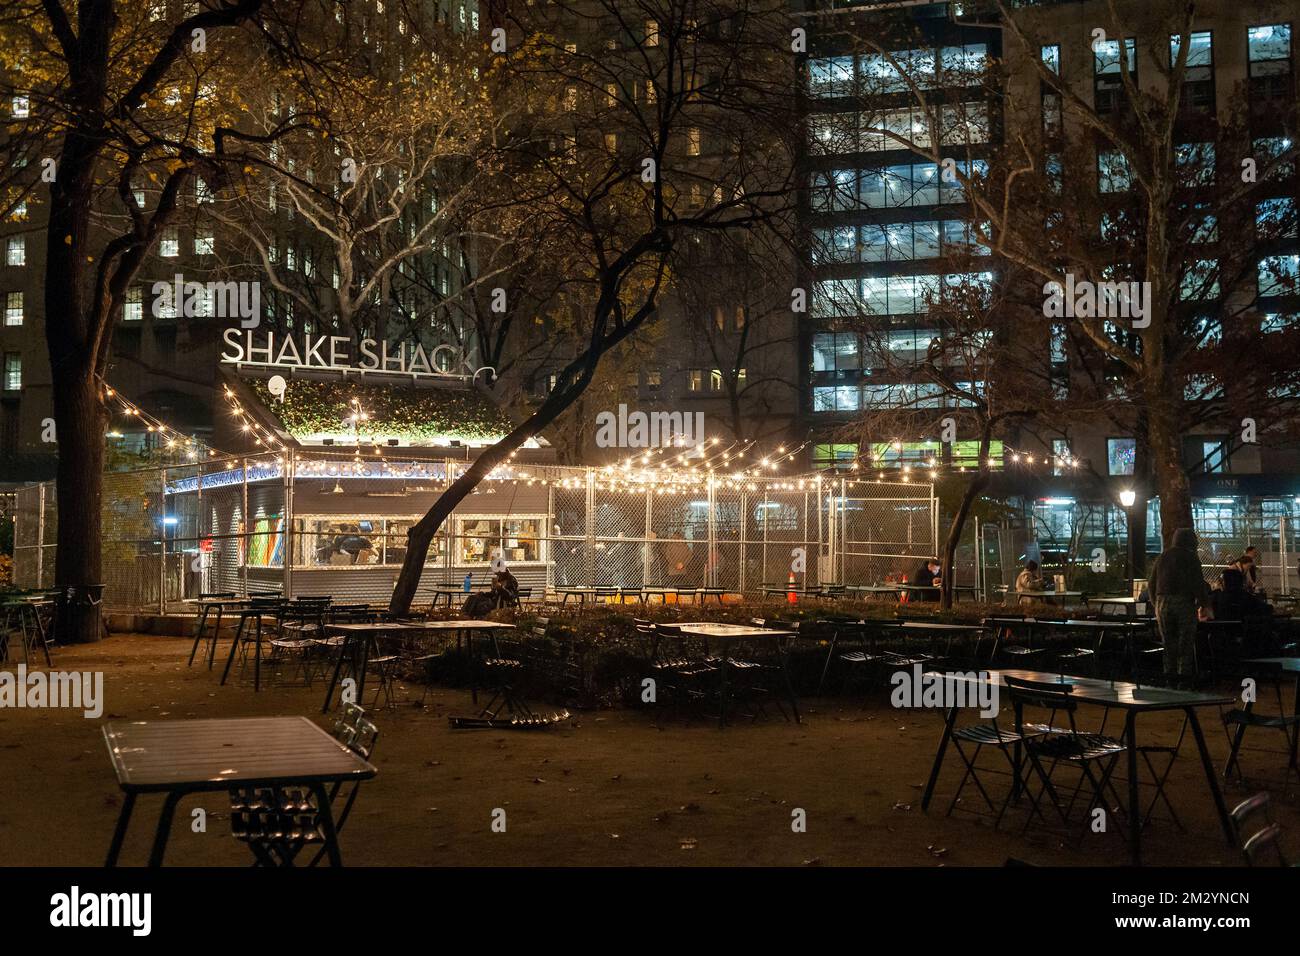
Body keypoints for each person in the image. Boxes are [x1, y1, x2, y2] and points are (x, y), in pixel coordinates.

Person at [1146, 528, 1212, 685]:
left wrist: (1156, 604)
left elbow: (1151, 583)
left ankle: (1169, 681)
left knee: (1168, 645)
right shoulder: (1191, 558)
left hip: (1162, 603)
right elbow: (1197, 584)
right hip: (1184, 603)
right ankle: (1184, 682)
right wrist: (1205, 605)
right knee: (1185, 645)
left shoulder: (1163, 557)